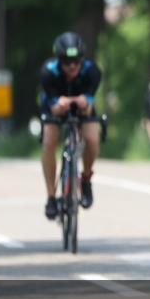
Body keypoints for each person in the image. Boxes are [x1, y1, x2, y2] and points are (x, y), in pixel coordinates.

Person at [40, 32, 103, 220]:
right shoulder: (48, 72)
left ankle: (85, 179)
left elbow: (89, 102)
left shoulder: (92, 71)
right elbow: (52, 104)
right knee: (49, 141)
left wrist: (85, 103)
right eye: (67, 61)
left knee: (92, 139)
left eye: (76, 61)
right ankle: (51, 196)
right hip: (56, 107)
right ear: (59, 60)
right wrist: (58, 107)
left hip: (82, 107)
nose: (72, 66)